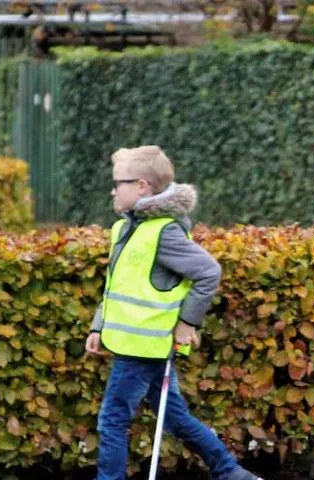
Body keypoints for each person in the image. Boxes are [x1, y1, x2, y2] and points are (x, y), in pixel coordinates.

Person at [84, 146, 263, 480]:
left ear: (141, 186)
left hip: (143, 348)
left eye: (118, 183)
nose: (112, 190)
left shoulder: (164, 232)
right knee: (175, 418)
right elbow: (116, 286)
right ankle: (230, 472)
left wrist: (187, 322)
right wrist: (99, 326)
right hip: (131, 343)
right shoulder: (124, 229)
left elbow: (209, 272)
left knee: (112, 419)